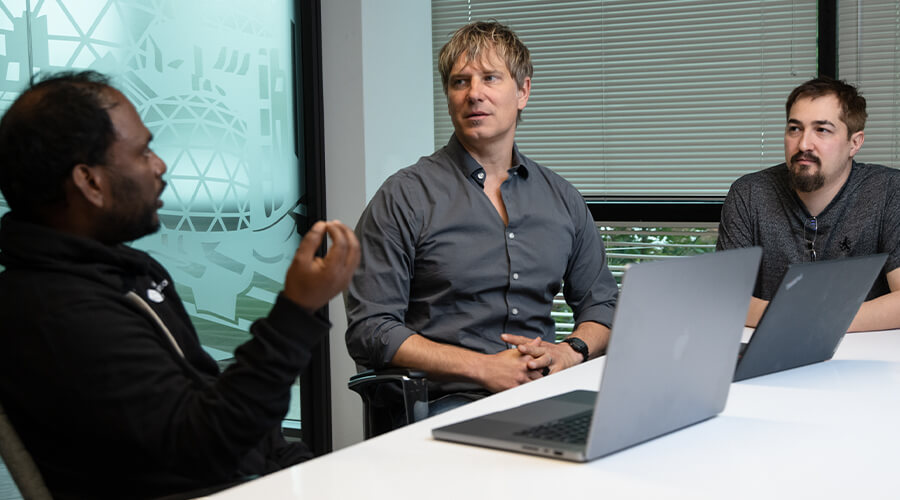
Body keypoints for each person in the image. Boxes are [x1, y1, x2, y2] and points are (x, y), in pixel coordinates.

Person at [0, 71, 360, 499]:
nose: (160, 165)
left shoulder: (130, 272)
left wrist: (309, 472)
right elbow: (205, 447)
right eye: (143, 152)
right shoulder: (58, 313)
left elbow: (216, 406)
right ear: (90, 182)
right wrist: (297, 311)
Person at [345, 21, 618, 422]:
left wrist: (569, 351)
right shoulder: (404, 196)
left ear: (523, 91)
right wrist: (485, 368)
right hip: (445, 402)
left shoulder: (562, 198)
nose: (474, 93)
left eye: (490, 78)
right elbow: (371, 329)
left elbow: (603, 305)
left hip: (542, 393)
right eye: (460, 82)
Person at [717, 76, 900, 332]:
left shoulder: (889, 191)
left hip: (865, 351)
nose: (803, 144)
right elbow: (726, 298)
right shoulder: (749, 193)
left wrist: (816, 320)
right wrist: (805, 318)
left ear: (854, 143)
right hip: (775, 349)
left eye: (822, 130)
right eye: (795, 128)